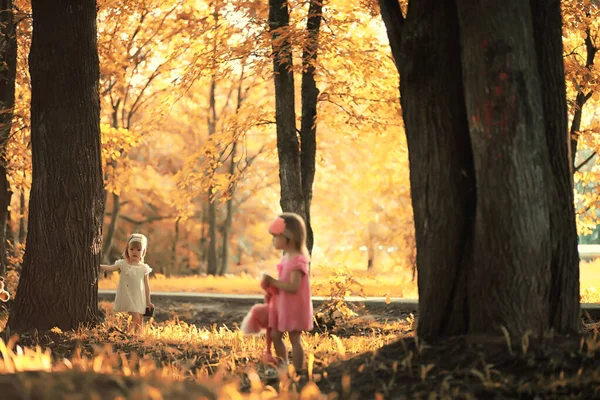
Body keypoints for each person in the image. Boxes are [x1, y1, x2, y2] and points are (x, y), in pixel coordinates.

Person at [261, 212, 313, 373]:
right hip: (283, 306)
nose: (273, 240)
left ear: (288, 237)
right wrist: (271, 289)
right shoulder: (286, 258)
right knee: (276, 335)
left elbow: (293, 287)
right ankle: (283, 364)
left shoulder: (298, 260)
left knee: (294, 338)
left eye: (276, 237)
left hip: (295, 307)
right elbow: (284, 285)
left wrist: (273, 281)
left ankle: (298, 370)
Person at [100, 233, 154, 334]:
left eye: (138, 250)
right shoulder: (123, 264)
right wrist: (100, 266)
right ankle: (124, 334)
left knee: (139, 319)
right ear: (127, 250)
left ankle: (137, 338)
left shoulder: (143, 268)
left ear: (143, 252)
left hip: (139, 297)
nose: (135, 252)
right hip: (127, 295)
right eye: (132, 249)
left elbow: (146, 286)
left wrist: (148, 301)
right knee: (135, 316)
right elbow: (111, 268)